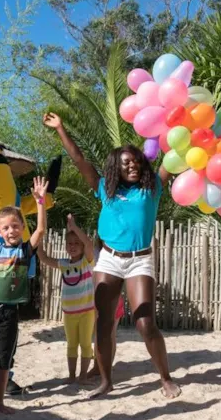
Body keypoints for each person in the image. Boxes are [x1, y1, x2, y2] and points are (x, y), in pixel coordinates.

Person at [44, 112, 180, 399]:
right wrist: (60, 128)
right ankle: (106, 381)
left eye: (135, 160)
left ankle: (165, 377)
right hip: (108, 259)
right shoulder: (105, 189)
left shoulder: (152, 187)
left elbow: (174, 155)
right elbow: (79, 159)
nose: (131, 165)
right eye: (125, 162)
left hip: (139, 259)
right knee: (103, 323)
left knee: (145, 323)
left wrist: (180, 126)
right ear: (115, 169)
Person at [0, 176, 48, 419]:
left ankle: (0, 402)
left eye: (15, 225)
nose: (11, 230)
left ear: (22, 227)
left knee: (4, 361)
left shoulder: (25, 250)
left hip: (9, 313)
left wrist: (40, 202)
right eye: (6, 227)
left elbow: (42, 229)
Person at [37, 214, 98, 385]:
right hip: (69, 313)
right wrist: (39, 239)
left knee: (85, 344)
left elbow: (89, 244)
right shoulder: (64, 264)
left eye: (76, 243)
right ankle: (72, 376)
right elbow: (43, 258)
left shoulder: (87, 262)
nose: (72, 246)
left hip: (86, 312)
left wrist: (73, 227)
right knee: (71, 345)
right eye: (69, 243)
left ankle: (83, 376)